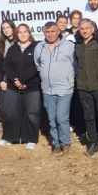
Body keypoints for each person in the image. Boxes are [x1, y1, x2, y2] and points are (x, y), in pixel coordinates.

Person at [0, 24, 41, 150]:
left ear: (29, 33)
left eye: (25, 31)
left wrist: (24, 80)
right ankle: (10, 137)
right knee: (11, 113)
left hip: (31, 86)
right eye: (20, 32)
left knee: (32, 113)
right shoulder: (13, 48)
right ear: (17, 34)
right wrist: (15, 80)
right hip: (13, 86)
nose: (23, 34)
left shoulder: (36, 47)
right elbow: (7, 66)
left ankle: (31, 139)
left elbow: (37, 66)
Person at [35, 22, 76, 153]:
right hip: (47, 89)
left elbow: (75, 64)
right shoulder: (39, 47)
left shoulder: (69, 46)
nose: (50, 34)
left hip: (65, 88)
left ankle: (65, 142)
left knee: (61, 117)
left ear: (58, 32)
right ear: (44, 33)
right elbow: (38, 64)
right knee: (51, 119)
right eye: (47, 32)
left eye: (53, 31)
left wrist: (69, 78)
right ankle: (56, 143)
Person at [75, 18, 98, 156]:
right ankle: (93, 143)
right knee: (89, 117)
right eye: (82, 29)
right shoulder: (77, 46)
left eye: (87, 28)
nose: (85, 31)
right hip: (83, 87)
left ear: (93, 29)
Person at [0, 20, 16, 128]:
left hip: (20, 80)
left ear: (13, 28)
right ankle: (10, 129)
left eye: (8, 27)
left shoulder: (20, 41)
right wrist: (1, 80)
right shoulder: (1, 45)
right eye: (4, 28)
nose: (6, 30)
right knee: (8, 108)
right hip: (6, 81)